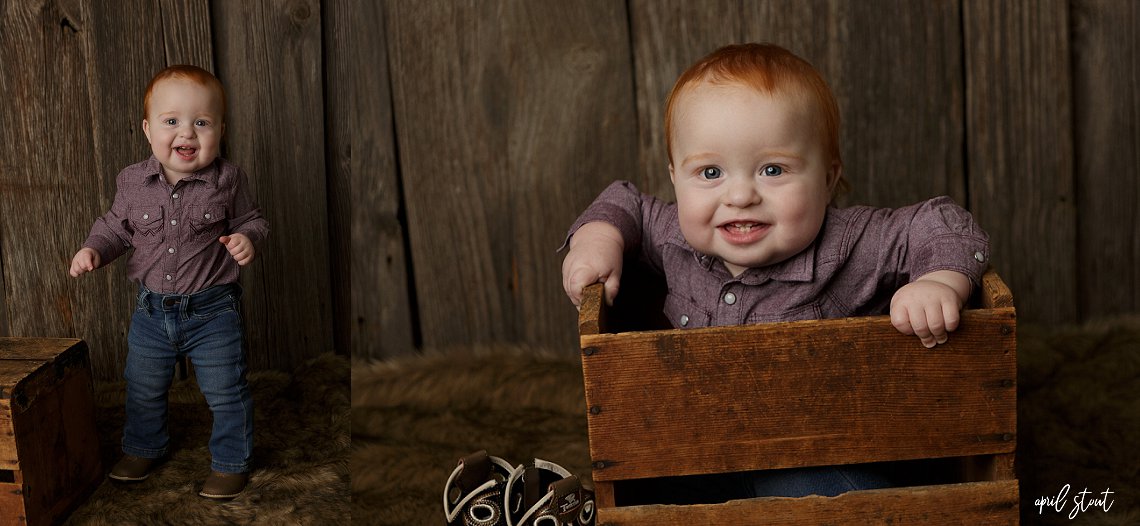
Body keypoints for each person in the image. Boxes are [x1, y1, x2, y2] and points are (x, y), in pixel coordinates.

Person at [560, 43, 989, 501]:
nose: (741, 195)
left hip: (813, 455)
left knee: (854, 501)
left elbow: (940, 221)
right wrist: (598, 236)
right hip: (691, 452)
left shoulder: (850, 244)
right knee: (643, 489)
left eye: (772, 169)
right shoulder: (674, 236)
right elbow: (625, 200)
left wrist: (940, 281)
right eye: (709, 173)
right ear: (673, 178)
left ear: (827, 178)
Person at [69, 65, 268, 500]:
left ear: (219, 128)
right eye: (172, 121)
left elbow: (253, 220)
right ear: (148, 129)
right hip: (152, 312)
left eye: (202, 122)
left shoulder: (229, 180)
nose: (188, 133)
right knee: (142, 386)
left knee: (226, 390)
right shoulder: (132, 181)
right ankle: (143, 448)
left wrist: (246, 239)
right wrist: (94, 250)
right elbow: (116, 229)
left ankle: (230, 462)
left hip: (213, 312)